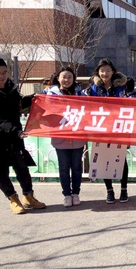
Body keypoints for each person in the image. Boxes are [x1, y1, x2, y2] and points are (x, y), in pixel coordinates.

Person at [0, 58, 46, 214]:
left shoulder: (11, 88)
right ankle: (13, 199)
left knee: (22, 167)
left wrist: (33, 98)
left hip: (13, 136)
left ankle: (29, 197)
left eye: (5, 73)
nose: (2, 76)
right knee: (1, 171)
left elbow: (18, 105)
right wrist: (16, 131)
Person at [86, 58, 129, 203]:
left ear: (113, 71)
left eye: (108, 70)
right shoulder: (94, 88)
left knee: (121, 159)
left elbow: (125, 104)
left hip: (118, 127)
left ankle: (124, 189)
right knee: (104, 159)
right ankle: (109, 190)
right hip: (101, 128)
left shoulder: (121, 86)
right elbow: (90, 106)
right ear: (98, 72)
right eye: (102, 70)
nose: (105, 73)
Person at [46, 67, 86, 207]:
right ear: (58, 78)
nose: (67, 80)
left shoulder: (80, 94)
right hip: (60, 137)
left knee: (76, 167)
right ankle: (67, 195)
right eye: (64, 77)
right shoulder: (51, 94)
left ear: (74, 79)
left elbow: (89, 109)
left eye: (70, 77)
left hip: (77, 137)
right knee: (63, 167)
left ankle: (76, 193)